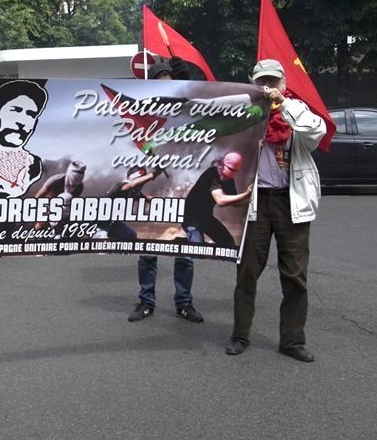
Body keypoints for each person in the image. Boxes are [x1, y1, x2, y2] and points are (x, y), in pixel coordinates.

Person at [226, 59, 325, 363]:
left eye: (273, 82)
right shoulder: (245, 116)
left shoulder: (297, 112)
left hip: (290, 202)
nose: (267, 87)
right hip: (255, 204)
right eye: (261, 82)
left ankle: (293, 340)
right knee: (247, 272)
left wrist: (284, 106)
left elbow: (315, 134)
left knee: (295, 276)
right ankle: (240, 334)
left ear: (283, 84)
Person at [126, 58, 211, 324]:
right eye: (160, 86)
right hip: (154, 193)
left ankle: (184, 303)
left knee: (184, 251)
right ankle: (146, 301)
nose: (166, 93)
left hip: (182, 191)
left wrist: (187, 82)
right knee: (148, 251)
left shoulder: (184, 112)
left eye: (170, 85)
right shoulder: (143, 118)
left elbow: (204, 102)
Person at [182, 151, 253, 250]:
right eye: (230, 169)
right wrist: (246, 194)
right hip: (190, 217)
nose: (232, 173)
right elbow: (220, 200)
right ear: (222, 164)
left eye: (235, 170)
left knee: (228, 244)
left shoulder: (228, 179)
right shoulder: (212, 173)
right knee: (197, 248)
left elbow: (235, 202)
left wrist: (251, 199)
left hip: (205, 217)